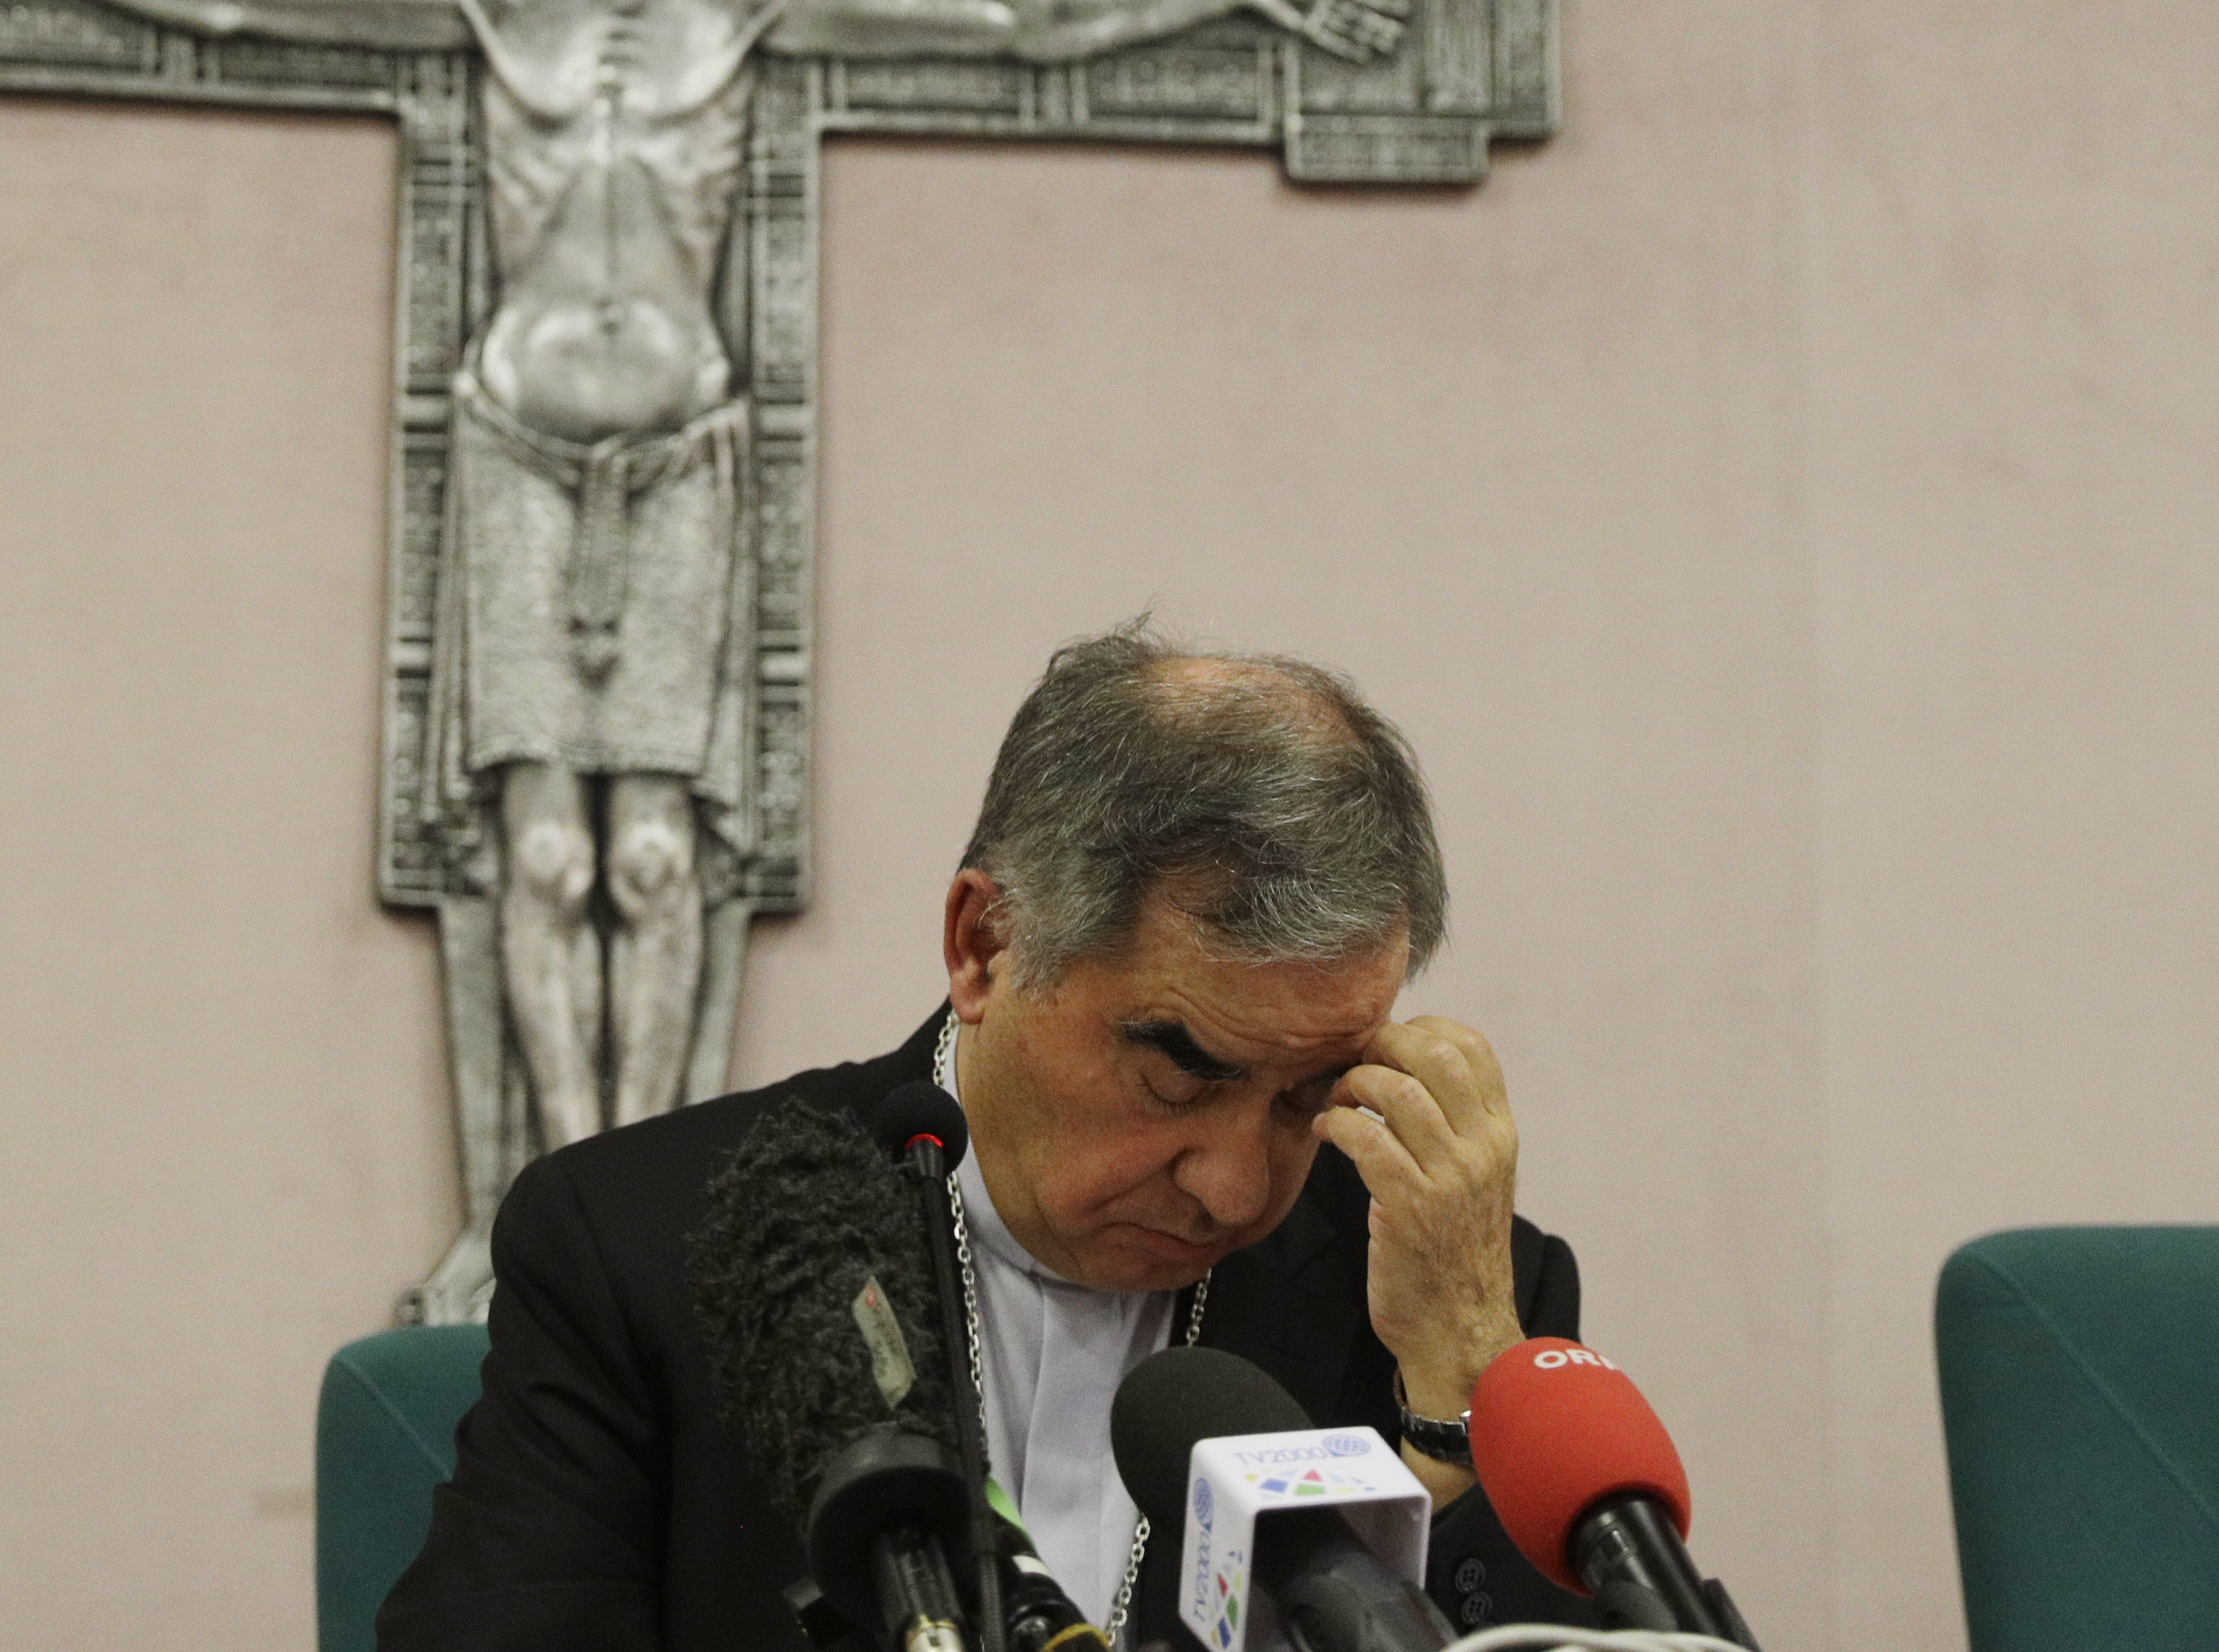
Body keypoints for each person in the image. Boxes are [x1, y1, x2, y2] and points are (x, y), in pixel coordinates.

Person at [0, 0, 1410, 1223]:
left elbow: (1010, 28)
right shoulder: (494, 3)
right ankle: (559, 1200)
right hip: (517, 440)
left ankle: (652, 1193)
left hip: (674, 460)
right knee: (536, 853)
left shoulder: (747, 7)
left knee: (653, 858)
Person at [378, 625, 1601, 1651]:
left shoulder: (1435, 1294)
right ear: (984, 945)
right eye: (1179, 1067)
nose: (1236, 1186)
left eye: (1309, 1092)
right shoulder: (644, 1244)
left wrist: (1469, 1388)